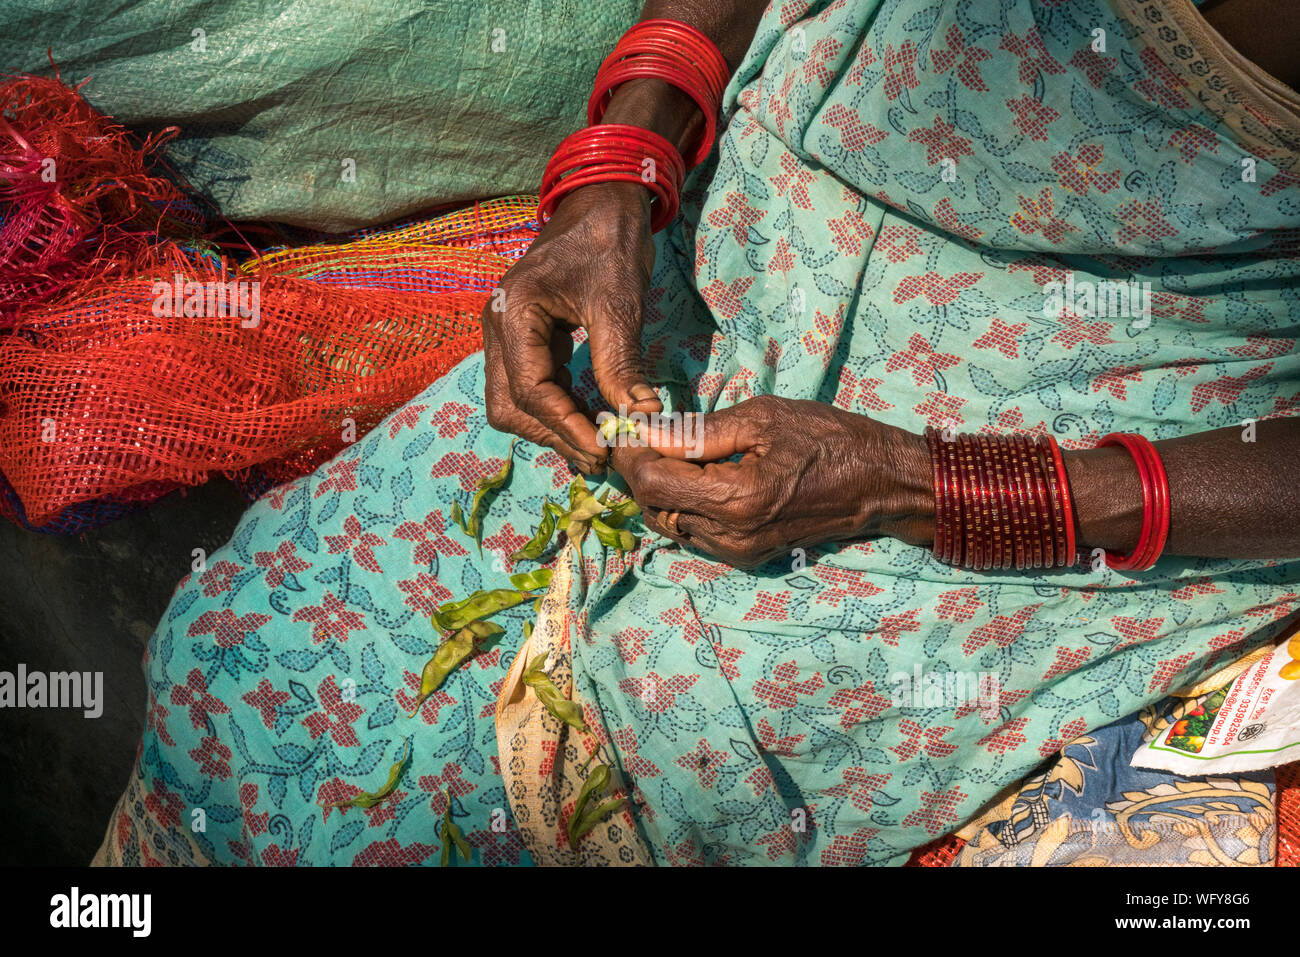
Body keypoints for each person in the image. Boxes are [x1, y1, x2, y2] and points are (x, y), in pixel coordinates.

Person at [100, 0, 1300, 866]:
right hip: (761, 218)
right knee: (246, 645)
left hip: (1080, 394)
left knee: (628, 743)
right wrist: (621, 166)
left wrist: (924, 484)